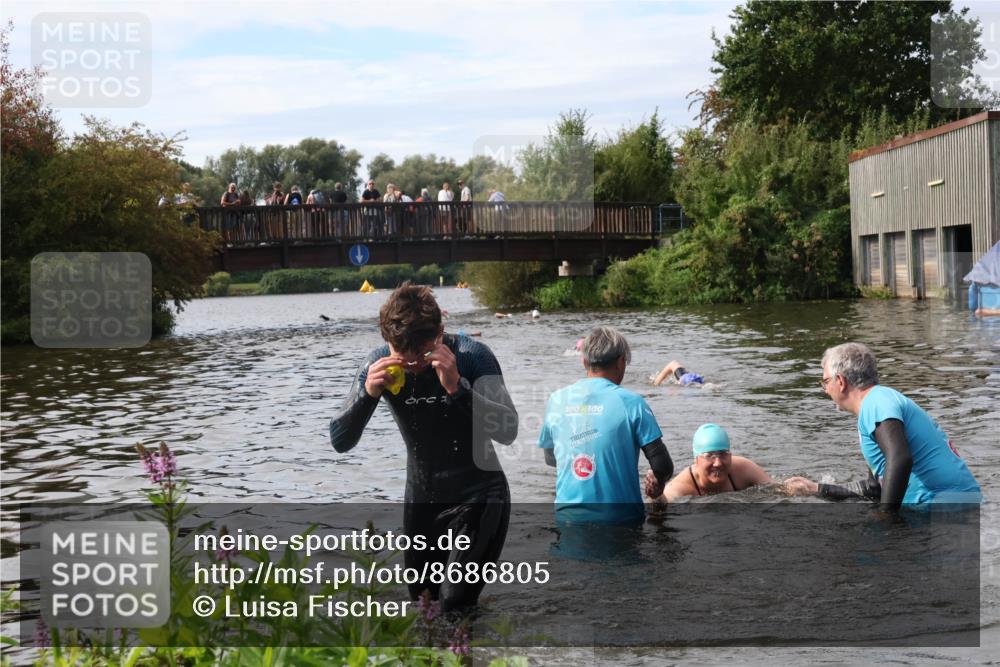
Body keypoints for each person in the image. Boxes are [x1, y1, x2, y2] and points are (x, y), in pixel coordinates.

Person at [329, 283, 519, 613]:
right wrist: (368, 396)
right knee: (424, 607)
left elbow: (509, 430)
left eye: (423, 352)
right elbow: (340, 441)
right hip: (422, 501)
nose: (414, 364)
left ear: (441, 332)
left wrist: (458, 389)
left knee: (455, 604)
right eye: (403, 354)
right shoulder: (376, 363)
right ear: (387, 340)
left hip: (480, 495)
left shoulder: (473, 356)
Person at [783, 342, 981, 507]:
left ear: (841, 381)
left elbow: (900, 458)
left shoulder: (876, 402)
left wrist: (887, 520)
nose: (825, 390)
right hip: (953, 505)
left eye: (825, 382)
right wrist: (817, 489)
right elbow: (875, 489)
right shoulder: (878, 404)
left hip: (944, 507)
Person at [538, 326, 674, 524]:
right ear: (621, 362)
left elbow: (551, 459)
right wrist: (658, 481)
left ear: (584, 361)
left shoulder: (556, 400)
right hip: (621, 521)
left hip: (568, 519)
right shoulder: (632, 403)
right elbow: (662, 465)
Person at [646, 423, 772, 501]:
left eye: (723, 454)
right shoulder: (682, 486)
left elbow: (776, 489)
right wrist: (656, 497)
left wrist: (790, 487)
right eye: (710, 456)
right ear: (696, 460)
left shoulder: (744, 468)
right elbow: (663, 504)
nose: (718, 463)